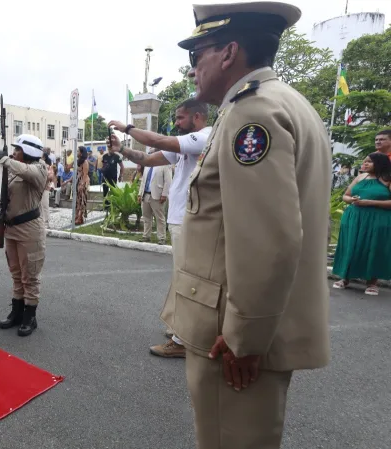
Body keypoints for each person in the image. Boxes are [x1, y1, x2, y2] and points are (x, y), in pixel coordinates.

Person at [166, 3, 331, 448]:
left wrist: (245, 338)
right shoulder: (288, 103)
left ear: (228, 52)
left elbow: (268, 241)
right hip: (256, 325)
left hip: (232, 338)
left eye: (196, 54)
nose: (192, 69)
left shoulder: (251, 114)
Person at [109, 98, 212, 358]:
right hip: (180, 219)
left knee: (189, 281)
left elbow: (157, 141)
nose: (176, 122)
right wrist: (123, 150)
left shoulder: (204, 137)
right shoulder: (186, 144)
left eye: (180, 117)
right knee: (182, 279)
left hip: (190, 221)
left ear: (197, 117)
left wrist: (128, 128)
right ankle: (180, 330)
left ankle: (182, 341)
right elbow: (146, 157)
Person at [0, 134, 48, 337]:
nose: (14, 153)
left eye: (17, 150)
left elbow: (27, 172)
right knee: (16, 274)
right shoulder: (12, 170)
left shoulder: (40, 169)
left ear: (28, 151)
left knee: (30, 276)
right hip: (11, 229)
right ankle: (16, 312)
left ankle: (29, 317)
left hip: (30, 229)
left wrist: (6, 160)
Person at [332, 152, 391, 295]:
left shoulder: (387, 180)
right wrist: (352, 200)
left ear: (379, 164)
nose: (364, 164)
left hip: (378, 218)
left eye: (368, 162)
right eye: (364, 161)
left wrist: (369, 202)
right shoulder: (360, 177)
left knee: (373, 247)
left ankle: (372, 282)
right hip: (355, 216)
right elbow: (346, 195)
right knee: (350, 246)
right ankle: (345, 278)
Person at [136, 152, 172, 244]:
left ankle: (161, 238)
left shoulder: (165, 164)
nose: (151, 155)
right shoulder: (147, 166)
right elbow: (143, 181)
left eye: (152, 154)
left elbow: (168, 181)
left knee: (159, 218)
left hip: (158, 195)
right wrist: (140, 194)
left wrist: (164, 194)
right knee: (146, 217)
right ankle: (146, 236)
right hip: (146, 195)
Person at [100, 140, 125, 213]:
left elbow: (122, 167)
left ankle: (112, 206)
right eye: (109, 148)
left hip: (113, 177)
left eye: (111, 148)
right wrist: (102, 171)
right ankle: (106, 207)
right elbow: (102, 166)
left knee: (112, 192)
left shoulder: (117, 156)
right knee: (105, 192)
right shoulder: (104, 156)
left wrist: (121, 175)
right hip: (105, 177)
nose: (110, 149)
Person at [74, 147, 90, 226]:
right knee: (78, 200)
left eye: (78, 151)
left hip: (83, 182)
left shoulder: (85, 162)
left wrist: (82, 184)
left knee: (82, 199)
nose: (77, 152)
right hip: (79, 180)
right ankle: (77, 216)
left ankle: (80, 217)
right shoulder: (79, 161)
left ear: (81, 152)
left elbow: (85, 174)